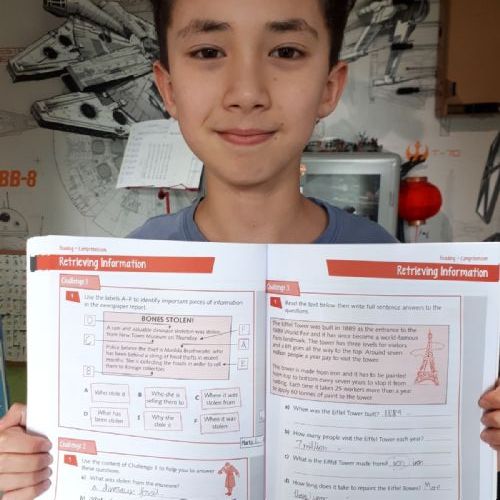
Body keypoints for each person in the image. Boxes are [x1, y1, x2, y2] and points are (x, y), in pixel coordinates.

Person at [0, 1, 498, 498]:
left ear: (329, 87)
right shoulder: (129, 277)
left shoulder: (383, 264)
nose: (246, 94)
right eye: (208, 51)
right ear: (168, 89)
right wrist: (26, 470)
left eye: (286, 51)